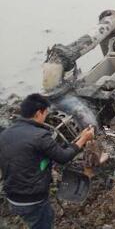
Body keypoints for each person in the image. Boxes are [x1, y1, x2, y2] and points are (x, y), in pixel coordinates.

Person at [0, 93, 95, 229]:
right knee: (44, 222)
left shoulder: (4, 134)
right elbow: (63, 157)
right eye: (46, 113)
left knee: (36, 220)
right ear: (39, 113)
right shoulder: (40, 135)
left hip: (12, 198)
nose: (46, 117)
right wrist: (83, 139)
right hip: (33, 200)